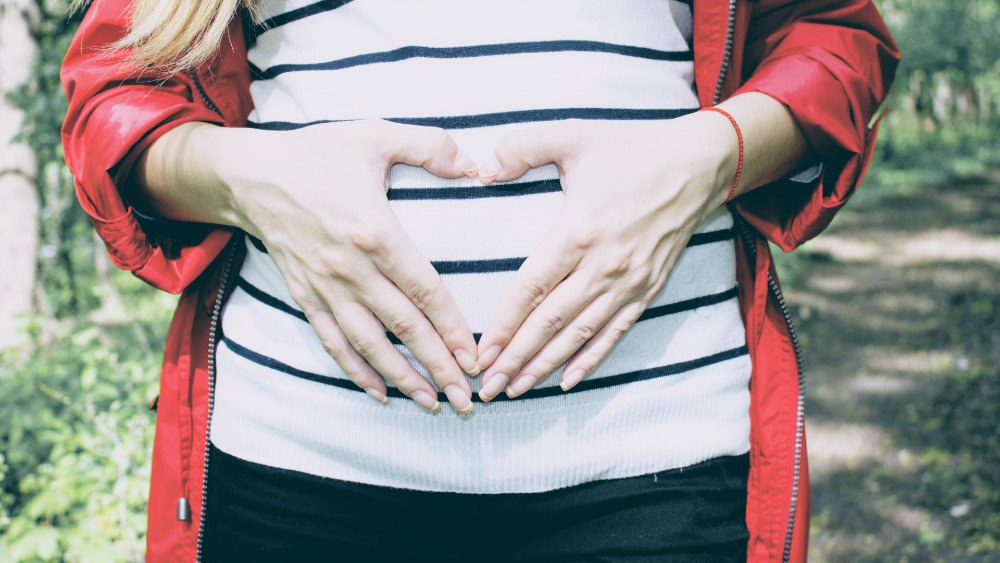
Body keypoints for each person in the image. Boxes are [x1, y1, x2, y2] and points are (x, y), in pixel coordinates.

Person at [61, 0, 898, 561]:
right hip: (293, 467)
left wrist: (710, 156)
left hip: (657, 465)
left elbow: (833, 40)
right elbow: (115, 101)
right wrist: (246, 175)